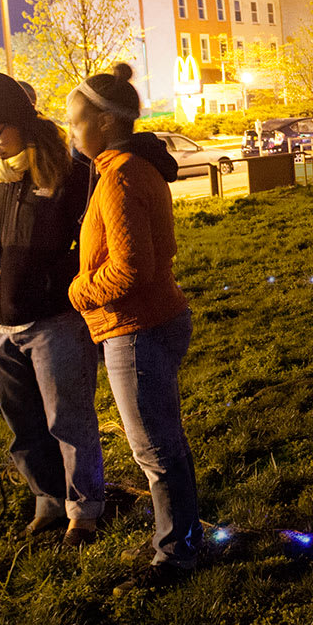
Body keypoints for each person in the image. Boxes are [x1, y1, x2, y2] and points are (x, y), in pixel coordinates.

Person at [63, 63, 202, 593]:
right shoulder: (122, 167)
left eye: (76, 122)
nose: (71, 132)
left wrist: (78, 291)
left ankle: (175, 558)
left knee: (155, 450)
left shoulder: (121, 175)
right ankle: (181, 539)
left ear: (102, 121)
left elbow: (132, 268)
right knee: (165, 443)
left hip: (137, 326)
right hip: (147, 321)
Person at [0, 70, 106, 547]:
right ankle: (47, 500)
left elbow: (89, 245)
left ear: (20, 120)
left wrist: (56, 280)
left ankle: (84, 510)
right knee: (22, 422)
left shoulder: (68, 170)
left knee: (69, 419)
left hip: (53, 320)